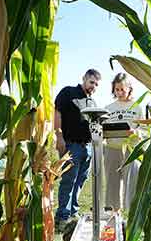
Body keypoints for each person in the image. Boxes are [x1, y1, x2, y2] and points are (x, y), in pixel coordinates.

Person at [54, 69, 101, 231]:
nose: (93, 86)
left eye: (96, 84)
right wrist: (58, 136)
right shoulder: (68, 92)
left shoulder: (92, 103)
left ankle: (72, 211)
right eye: (91, 82)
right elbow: (57, 112)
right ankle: (62, 217)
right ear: (84, 79)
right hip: (72, 145)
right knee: (68, 180)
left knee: (80, 181)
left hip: (87, 147)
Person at [104, 73, 144, 211]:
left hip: (131, 151)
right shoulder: (108, 108)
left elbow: (145, 129)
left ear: (129, 88)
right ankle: (112, 211)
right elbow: (102, 127)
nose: (120, 92)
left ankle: (130, 213)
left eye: (122, 89)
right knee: (111, 183)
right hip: (112, 149)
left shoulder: (137, 107)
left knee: (131, 183)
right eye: (117, 90)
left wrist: (136, 132)